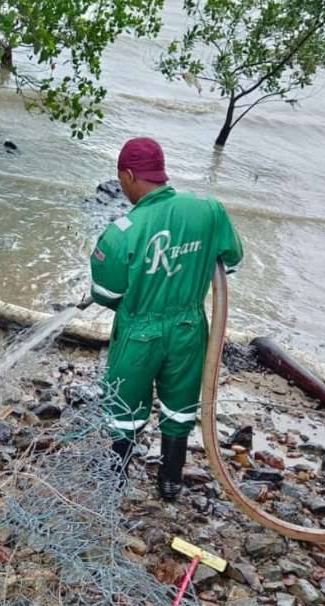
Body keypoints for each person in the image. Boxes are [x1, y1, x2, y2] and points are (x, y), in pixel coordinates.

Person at [89, 137, 243, 500]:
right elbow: (231, 261)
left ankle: (117, 480)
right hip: (190, 327)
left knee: (124, 407)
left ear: (128, 175)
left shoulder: (121, 232)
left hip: (139, 331)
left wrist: (145, 295)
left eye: (121, 179)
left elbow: (107, 295)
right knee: (181, 402)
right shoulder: (209, 210)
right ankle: (170, 481)